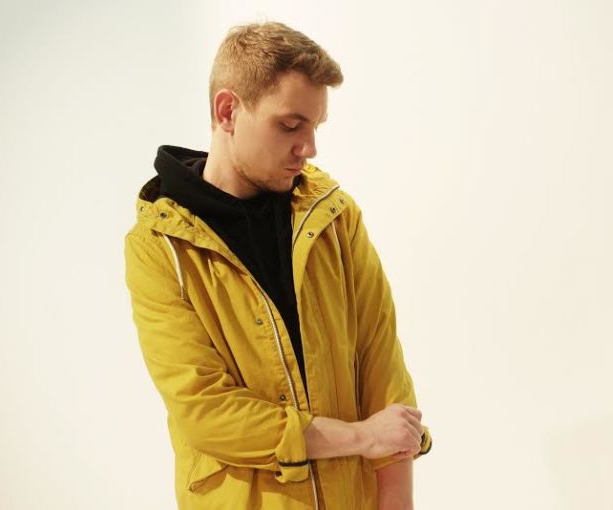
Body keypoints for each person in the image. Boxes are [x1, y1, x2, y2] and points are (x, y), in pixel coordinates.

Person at [124, 20, 432, 510]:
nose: (309, 148)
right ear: (228, 111)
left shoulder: (333, 217)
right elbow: (206, 412)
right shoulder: (160, 247)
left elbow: (382, 366)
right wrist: (360, 437)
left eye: (315, 127)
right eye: (290, 126)